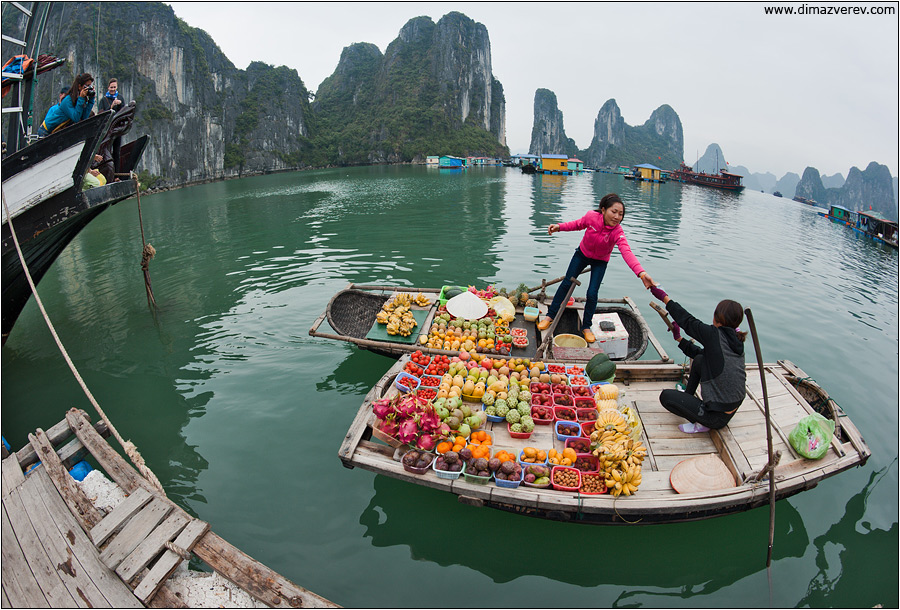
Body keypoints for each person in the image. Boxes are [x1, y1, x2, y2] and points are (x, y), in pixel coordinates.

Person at [537, 193, 655, 343]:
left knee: (592, 293)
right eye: (614, 212)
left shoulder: (617, 232)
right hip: (582, 254)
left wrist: (642, 273)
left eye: (621, 214)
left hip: (600, 261)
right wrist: (559, 227)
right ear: (603, 209)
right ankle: (550, 316)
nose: (617, 217)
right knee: (567, 283)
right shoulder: (591, 217)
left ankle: (586, 326)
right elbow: (577, 224)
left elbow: (627, 252)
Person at [653, 289, 747, 433]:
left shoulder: (714, 334)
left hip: (716, 416)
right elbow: (702, 355)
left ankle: (702, 423)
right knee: (699, 360)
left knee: (666, 397)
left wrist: (664, 297)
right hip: (730, 408)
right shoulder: (735, 340)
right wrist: (679, 338)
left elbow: (688, 321)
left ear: (717, 318)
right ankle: (687, 396)